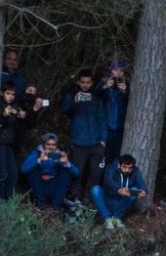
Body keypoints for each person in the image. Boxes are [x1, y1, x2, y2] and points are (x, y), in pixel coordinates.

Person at [61, 70, 107, 202]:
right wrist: (75, 101)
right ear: (78, 82)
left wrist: (103, 140)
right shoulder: (72, 96)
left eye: (88, 82)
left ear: (92, 83)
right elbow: (64, 110)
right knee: (77, 173)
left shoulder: (96, 100)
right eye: (83, 82)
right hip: (79, 143)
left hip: (96, 144)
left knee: (95, 174)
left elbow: (102, 121)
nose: (85, 85)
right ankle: (75, 199)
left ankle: (88, 199)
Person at [21, 133, 79, 213]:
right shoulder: (36, 153)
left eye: (53, 145)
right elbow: (23, 170)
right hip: (40, 188)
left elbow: (77, 173)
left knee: (65, 171)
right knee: (33, 172)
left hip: (54, 188)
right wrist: (39, 160)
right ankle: (41, 204)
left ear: (56, 145)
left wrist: (66, 163)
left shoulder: (60, 155)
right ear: (43, 144)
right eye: (48, 144)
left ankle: (55, 206)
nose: (51, 147)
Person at [92, 154, 148, 230]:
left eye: (130, 168)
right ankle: (107, 219)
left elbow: (141, 183)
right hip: (108, 200)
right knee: (95, 189)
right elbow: (108, 181)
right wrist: (118, 189)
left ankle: (117, 218)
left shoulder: (135, 171)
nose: (127, 170)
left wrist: (144, 191)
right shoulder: (111, 168)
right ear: (119, 165)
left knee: (134, 190)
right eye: (124, 167)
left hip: (121, 203)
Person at [0, 82, 27, 202]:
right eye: (7, 93)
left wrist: (22, 116)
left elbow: (21, 127)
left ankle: (9, 202)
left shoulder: (16, 106)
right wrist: (4, 115)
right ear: (1, 93)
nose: (10, 96)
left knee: (13, 174)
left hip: (11, 144)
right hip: (0, 142)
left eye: (13, 94)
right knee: (3, 174)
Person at [95, 60, 129, 164]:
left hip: (120, 130)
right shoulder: (104, 82)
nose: (118, 73)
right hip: (105, 129)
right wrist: (105, 87)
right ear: (110, 71)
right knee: (102, 158)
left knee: (116, 159)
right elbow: (94, 95)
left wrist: (125, 92)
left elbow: (134, 104)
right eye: (115, 70)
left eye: (120, 70)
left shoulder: (127, 84)